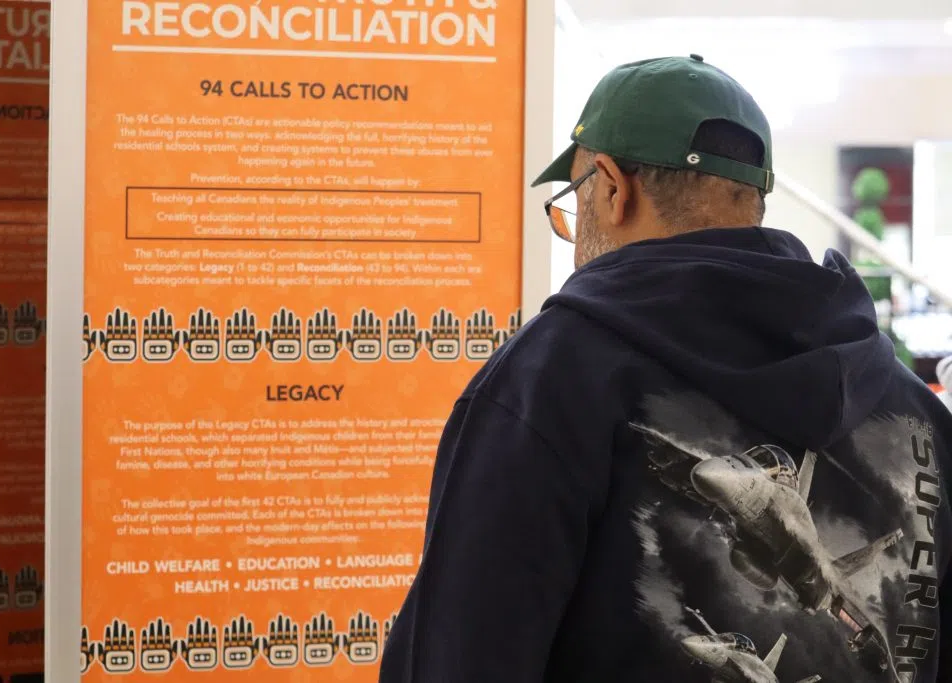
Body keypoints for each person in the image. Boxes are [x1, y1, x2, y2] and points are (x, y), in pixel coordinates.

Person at [378, 55, 952, 682]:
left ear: (612, 187)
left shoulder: (550, 377)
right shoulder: (913, 409)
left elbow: (458, 651)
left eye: (574, 196)